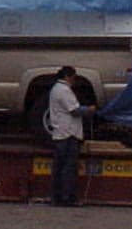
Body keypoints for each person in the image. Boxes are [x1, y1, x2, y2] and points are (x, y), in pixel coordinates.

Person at [49, 66, 95, 207]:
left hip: (61, 132)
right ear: (68, 76)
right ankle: (67, 197)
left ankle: (56, 197)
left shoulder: (56, 89)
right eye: (74, 77)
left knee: (59, 167)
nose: (74, 81)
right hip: (68, 134)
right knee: (68, 168)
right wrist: (89, 109)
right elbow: (74, 110)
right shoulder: (63, 90)